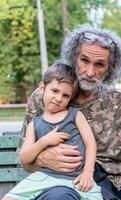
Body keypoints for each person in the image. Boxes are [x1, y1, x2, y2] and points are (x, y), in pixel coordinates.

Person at [19, 24, 121, 200]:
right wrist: (43, 159)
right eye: (84, 60)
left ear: (110, 68)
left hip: (103, 184)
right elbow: (25, 160)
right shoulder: (43, 97)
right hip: (52, 180)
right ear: (74, 58)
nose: (90, 72)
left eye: (99, 64)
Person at [3, 63, 101, 200]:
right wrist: (44, 141)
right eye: (55, 91)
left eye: (66, 95)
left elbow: (90, 143)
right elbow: (24, 158)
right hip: (43, 177)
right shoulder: (34, 124)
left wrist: (88, 173)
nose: (59, 98)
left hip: (74, 179)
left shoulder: (75, 115)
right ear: (42, 88)